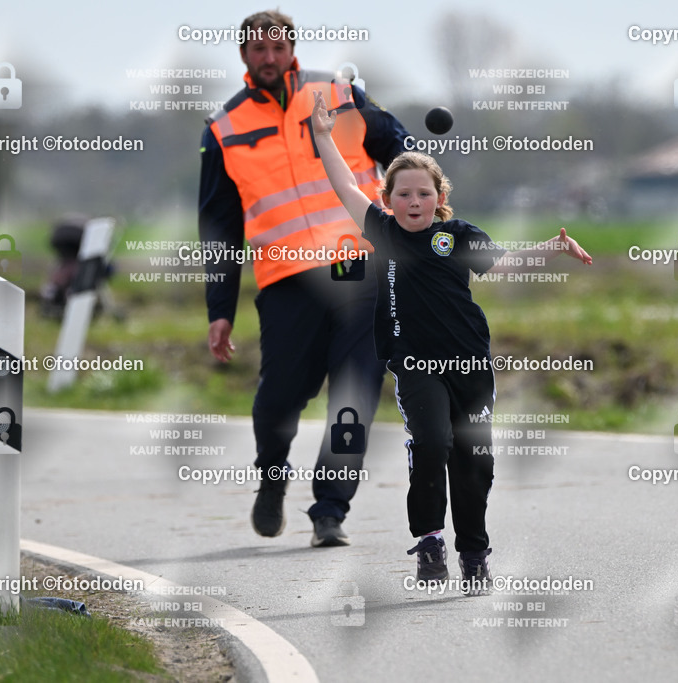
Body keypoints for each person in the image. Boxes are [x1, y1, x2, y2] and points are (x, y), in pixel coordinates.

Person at [311, 91, 593, 591]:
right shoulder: (384, 231)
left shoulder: (458, 236)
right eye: (403, 194)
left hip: (470, 367)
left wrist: (553, 248)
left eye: (423, 193)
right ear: (387, 200)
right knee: (432, 444)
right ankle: (429, 544)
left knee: (474, 464)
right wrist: (323, 135)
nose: (413, 202)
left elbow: (506, 262)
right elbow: (343, 185)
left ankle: (475, 552)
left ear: (439, 197)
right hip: (415, 366)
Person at [198, 10, 410, 547]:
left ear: (292, 48)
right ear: (243, 55)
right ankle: (272, 477)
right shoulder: (223, 127)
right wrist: (219, 309)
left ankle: (330, 510)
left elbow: (399, 149)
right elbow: (219, 228)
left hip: (358, 267)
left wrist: (413, 199)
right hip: (287, 278)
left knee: (356, 391)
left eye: (278, 48)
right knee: (280, 397)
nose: (268, 58)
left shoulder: (338, 95)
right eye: (257, 50)